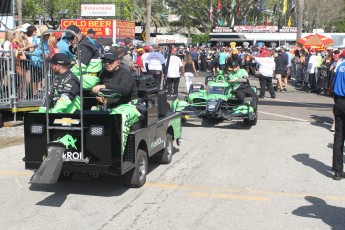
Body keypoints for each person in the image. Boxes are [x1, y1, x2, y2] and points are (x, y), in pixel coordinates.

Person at [92, 49, 139, 152]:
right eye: (105, 62)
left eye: (110, 61)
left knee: (120, 118)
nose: (107, 64)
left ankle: (118, 153)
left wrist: (105, 86)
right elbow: (99, 90)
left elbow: (125, 90)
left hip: (128, 106)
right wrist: (98, 95)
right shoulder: (103, 73)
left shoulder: (126, 74)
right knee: (90, 117)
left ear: (118, 61)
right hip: (109, 105)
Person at [65, 25, 102, 89]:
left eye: (72, 37)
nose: (70, 41)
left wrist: (66, 74)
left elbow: (81, 67)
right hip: (84, 77)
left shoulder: (85, 46)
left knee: (63, 82)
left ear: (79, 33)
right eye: (68, 39)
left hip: (89, 79)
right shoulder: (80, 44)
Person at [331, 59, 345, 180]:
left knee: (339, 137)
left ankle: (337, 170)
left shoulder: (340, 66)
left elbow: (333, 85)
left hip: (339, 102)